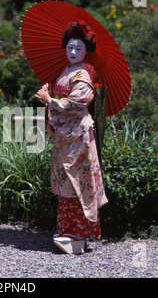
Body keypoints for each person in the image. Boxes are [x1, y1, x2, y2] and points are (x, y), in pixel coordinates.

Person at [35, 21, 108, 254]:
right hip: (65, 133)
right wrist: (51, 113)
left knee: (78, 178)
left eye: (78, 48)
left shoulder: (85, 74)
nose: (73, 52)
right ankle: (66, 229)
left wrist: (49, 101)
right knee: (66, 180)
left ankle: (77, 232)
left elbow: (77, 103)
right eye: (70, 48)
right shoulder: (67, 70)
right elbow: (61, 99)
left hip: (78, 135)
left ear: (87, 50)